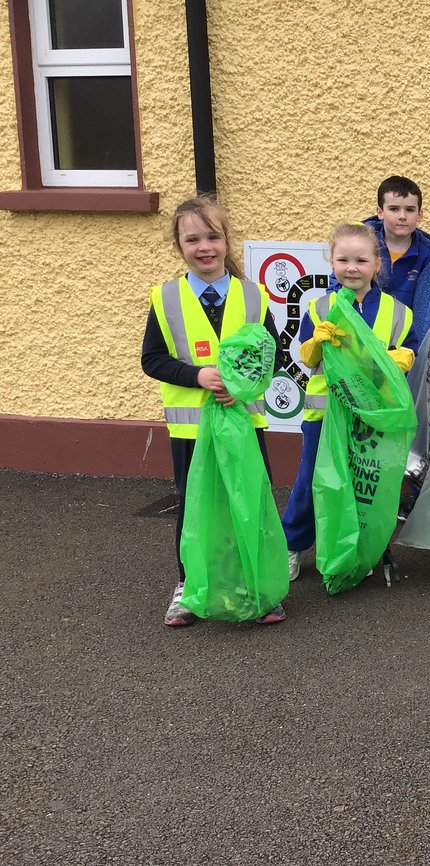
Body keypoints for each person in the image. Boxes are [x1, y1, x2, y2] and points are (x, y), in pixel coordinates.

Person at [142, 195, 288, 627]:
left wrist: (243, 389)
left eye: (212, 236)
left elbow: (273, 356)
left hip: (244, 423)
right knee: (193, 508)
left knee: (251, 502)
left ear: (226, 241)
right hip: (192, 432)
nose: (204, 247)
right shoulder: (166, 299)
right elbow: (152, 360)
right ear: (179, 246)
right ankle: (189, 589)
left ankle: (260, 588)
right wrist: (197, 377)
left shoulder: (252, 296)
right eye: (193, 239)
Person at [281, 222, 418, 581]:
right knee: (313, 481)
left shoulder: (398, 312)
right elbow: (307, 358)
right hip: (324, 414)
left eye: (360, 260)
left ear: (377, 264)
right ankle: (291, 546)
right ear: (332, 262)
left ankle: (356, 550)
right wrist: (314, 343)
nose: (351, 267)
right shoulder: (319, 308)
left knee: (363, 486)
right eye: (343, 259)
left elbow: (411, 349)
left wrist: (405, 357)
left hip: (373, 418)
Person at [352, 175, 430, 348]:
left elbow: (427, 312)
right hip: (361, 338)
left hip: (405, 345)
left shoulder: (429, 257)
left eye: (410, 210)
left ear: (420, 215)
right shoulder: (359, 244)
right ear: (380, 212)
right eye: (394, 209)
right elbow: (338, 287)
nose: (402, 216)